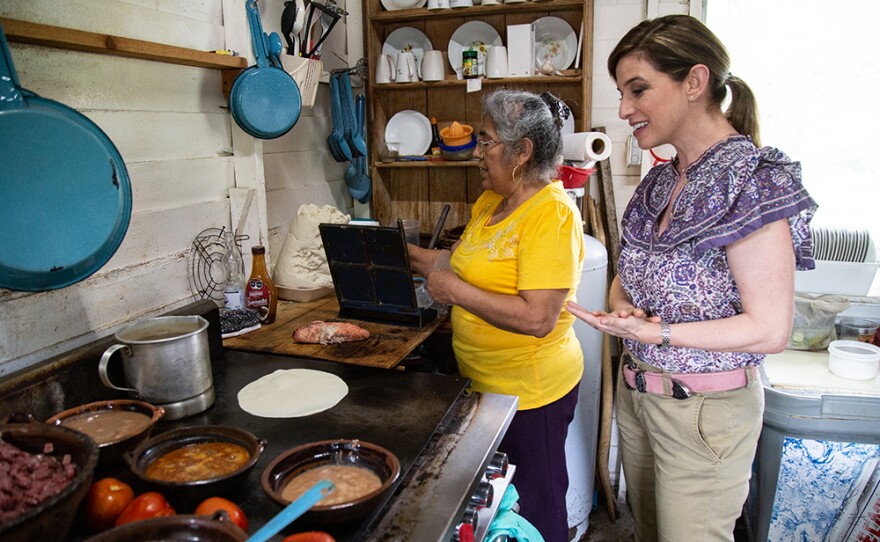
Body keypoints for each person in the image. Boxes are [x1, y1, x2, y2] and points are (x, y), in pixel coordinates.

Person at [565, 14, 818, 542]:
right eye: (621, 92)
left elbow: (769, 329)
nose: (623, 109)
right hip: (641, 401)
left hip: (706, 413)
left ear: (695, 82)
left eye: (639, 90)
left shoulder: (753, 182)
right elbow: (629, 276)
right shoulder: (661, 182)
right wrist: (624, 305)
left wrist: (657, 333)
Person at [408, 89, 585, 542]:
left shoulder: (552, 215)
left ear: (522, 151)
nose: (476, 152)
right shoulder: (490, 203)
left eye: (485, 141)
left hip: (532, 395)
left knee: (538, 509)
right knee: (499, 510)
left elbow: (538, 317)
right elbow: (454, 266)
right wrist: (392, 252)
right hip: (484, 388)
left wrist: (455, 292)